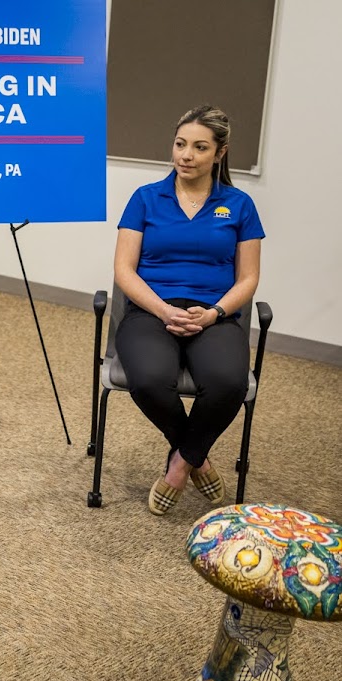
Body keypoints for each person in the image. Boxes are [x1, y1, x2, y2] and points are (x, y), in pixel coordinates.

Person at [113, 104, 264, 516]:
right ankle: (197, 454)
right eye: (180, 144)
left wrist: (214, 312)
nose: (186, 155)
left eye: (199, 147)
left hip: (214, 313)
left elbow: (248, 278)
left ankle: (179, 464)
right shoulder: (145, 199)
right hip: (150, 310)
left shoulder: (239, 204)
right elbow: (124, 270)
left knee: (228, 383)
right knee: (147, 379)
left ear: (220, 153)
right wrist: (162, 310)